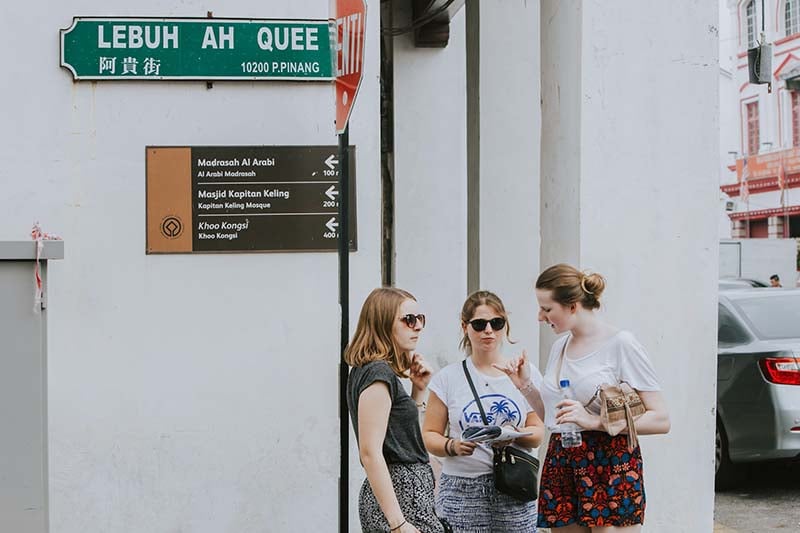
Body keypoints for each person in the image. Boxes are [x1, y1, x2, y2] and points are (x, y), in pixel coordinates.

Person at [495, 264, 670, 532]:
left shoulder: (621, 343)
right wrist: (525, 385)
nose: (540, 316)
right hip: (562, 457)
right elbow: (555, 416)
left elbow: (660, 419)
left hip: (609, 462)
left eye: (547, 308)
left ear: (573, 305)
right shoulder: (559, 346)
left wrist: (595, 421)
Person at [422, 290, 544, 533]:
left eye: (496, 323)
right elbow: (430, 435)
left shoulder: (524, 372)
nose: (488, 330)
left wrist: (515, 434)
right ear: (465, 326)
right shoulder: (448, 378)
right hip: (461, 488)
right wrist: (453, 446)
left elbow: (538, 431)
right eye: (479, 324)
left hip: (514, 485)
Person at [346, 287, 445, 533]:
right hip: (401, 496)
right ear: (382, 323)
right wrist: (398, 523)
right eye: (408, 320)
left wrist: (418, 391)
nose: (418, 326)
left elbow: (398, 436)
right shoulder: (378, 374)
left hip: (404, 494)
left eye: (420, 319)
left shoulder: (375, 372)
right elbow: (369, 452)